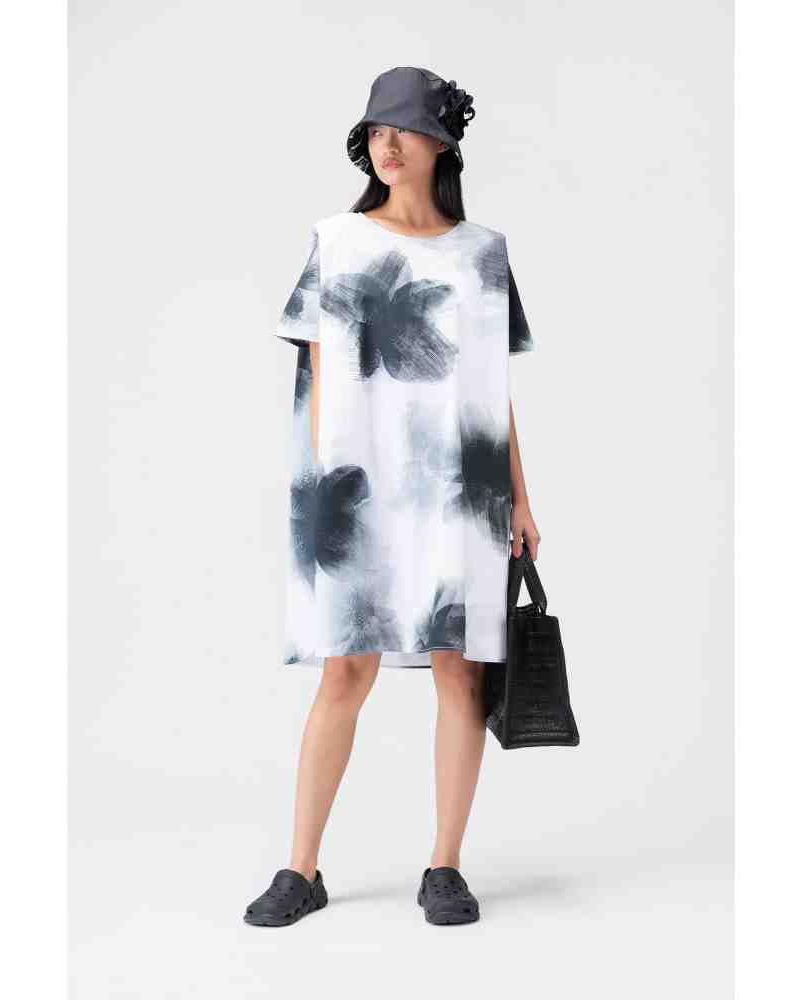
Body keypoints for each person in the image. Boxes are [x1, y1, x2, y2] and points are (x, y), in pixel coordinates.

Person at [245, 66, 540, 927]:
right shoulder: (338, 241)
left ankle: (444, 866)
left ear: (441, 144)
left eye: (404, 128)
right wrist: (323, 490)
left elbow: (492, 392)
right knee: (346, 668)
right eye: (377, 129)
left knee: (461, 669)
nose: (388, 143)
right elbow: (318, 375)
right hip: (358, 485)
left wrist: (522, 498)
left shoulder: (484, 253)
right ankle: (301, 869)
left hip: (462, 487)